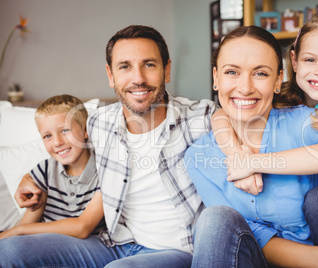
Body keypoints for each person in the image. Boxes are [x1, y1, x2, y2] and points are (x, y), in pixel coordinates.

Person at [184, 25, 318, 267]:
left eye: (261, 74)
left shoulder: (314, 126)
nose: (245, 87)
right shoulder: (197, 157)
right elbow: (248, 234)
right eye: (232, 72)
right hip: (257, 259)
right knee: (214, 219)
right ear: (216, 78)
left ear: (278, 80)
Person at [3, 25, 216, 268]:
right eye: (125, 66)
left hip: (176, 251)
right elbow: (65, 151)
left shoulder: (201, 117)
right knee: (9, 251)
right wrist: (29, 177)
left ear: (167, 70)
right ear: (110, 75)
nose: (138, 78)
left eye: (149, 64)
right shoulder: (98, 123)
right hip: (116, 243)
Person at [0, 94, 103, 240]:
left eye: (65, 130)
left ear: (85, 130)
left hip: (86, 246)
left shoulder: (104, 171)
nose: (57, 142)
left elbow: (82, 228)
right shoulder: (46, 170)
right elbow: (27, 224)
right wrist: (18, 231)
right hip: (40, 242)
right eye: (48, 136)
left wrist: (18, 230)